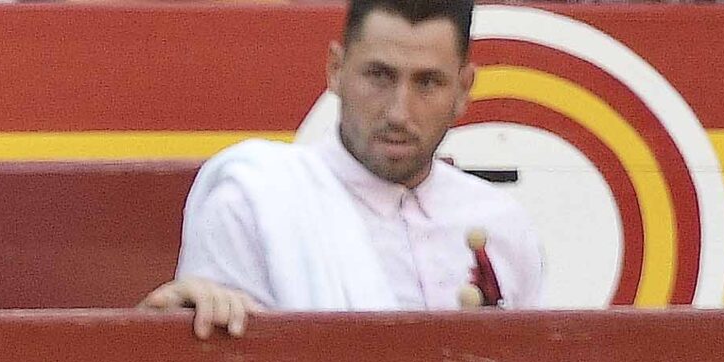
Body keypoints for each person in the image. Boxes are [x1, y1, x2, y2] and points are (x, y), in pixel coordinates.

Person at [145, 0, 544, 314]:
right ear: (336, 69)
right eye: (379, 76)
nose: (398, 113)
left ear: (463, 89)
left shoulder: (501, 223)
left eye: (427, 82)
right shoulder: (255, 203)